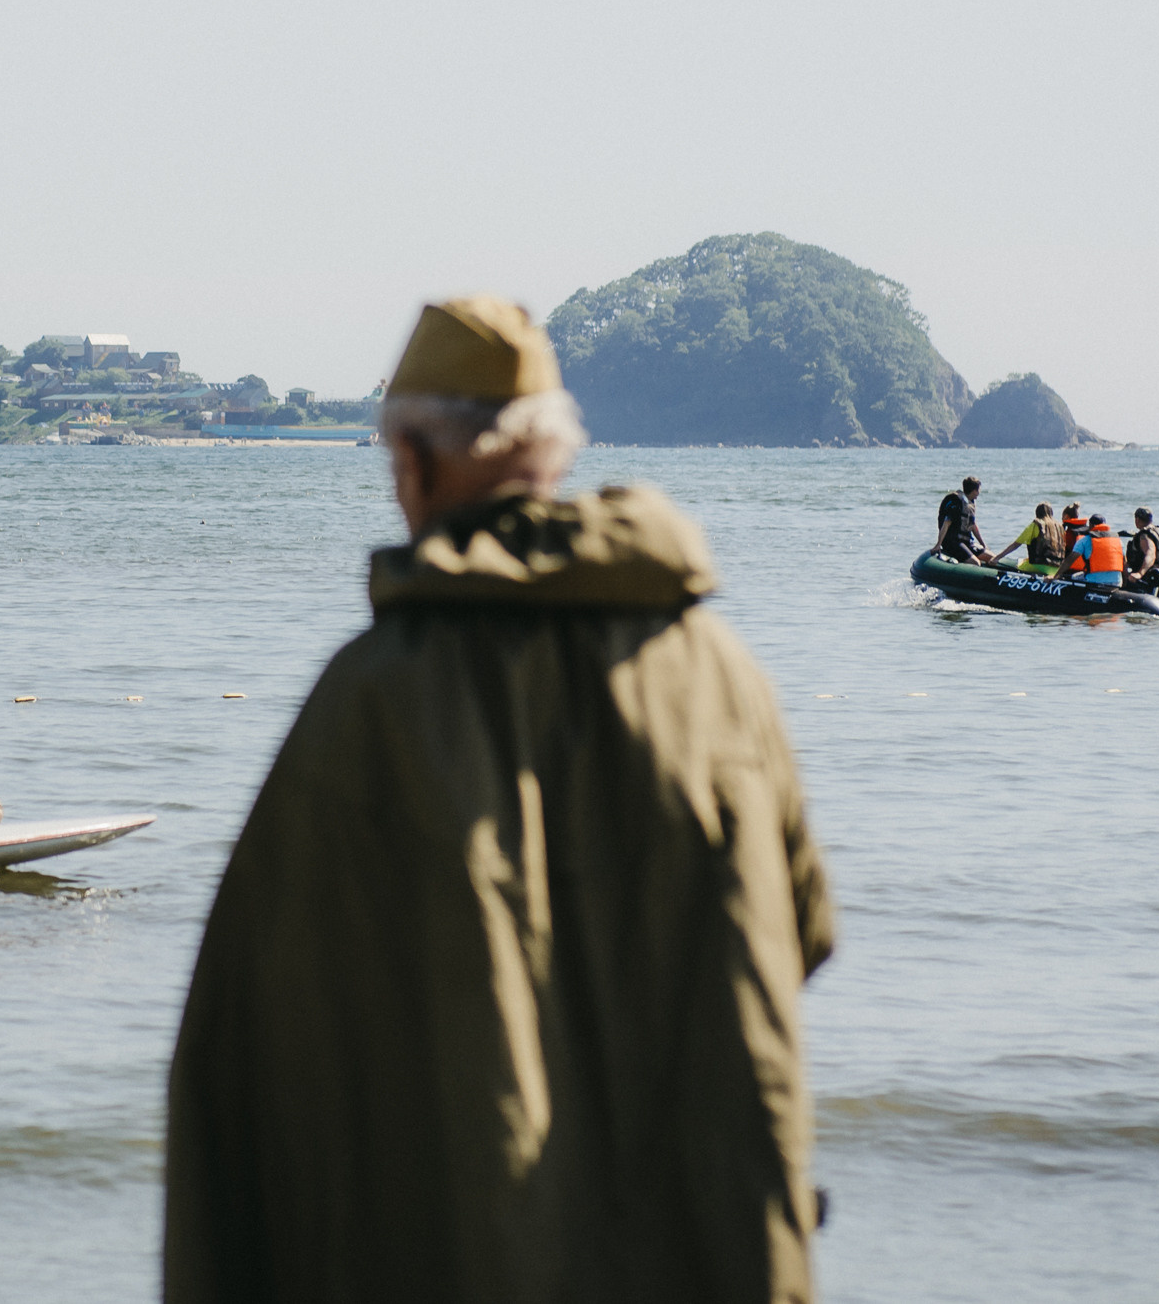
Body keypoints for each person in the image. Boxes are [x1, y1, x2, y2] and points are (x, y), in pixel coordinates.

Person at [165, 294, 834, 1304]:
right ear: (552, 454)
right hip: (700, 1235)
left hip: (456, 1239)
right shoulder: (719, 673)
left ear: (416, 462)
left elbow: (253, 1029)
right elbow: (806, 928)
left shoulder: (375, 694)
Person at [994, 502, 1064, 577]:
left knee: (1020, 563)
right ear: (1051, 513)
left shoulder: (1036, 525)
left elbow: (1015, 545)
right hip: (1057, 569)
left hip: (1039, 567)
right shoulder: (1060, 527)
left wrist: (996, 558)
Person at [934, 477, 987, 562]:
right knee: (975, 562)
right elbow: (946, 523)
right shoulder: (956, 502)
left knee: (990, 556)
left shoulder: (970, 503)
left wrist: (983, 544)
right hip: (953, 543)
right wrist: (938, 545)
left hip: (967, 542)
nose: (979, 493)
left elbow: (972, 525)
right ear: (974, 491)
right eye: (978, 490)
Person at [1065, 514, 1126, 586]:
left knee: (1074, 577)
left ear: (1090, 526)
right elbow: (1124, 563)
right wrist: (1125, 582)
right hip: (1117, 582)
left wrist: (1056, 576)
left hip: (1095, 581)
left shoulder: (1085, 540)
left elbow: (1069, 560)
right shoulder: (1118, 541)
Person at [1125, 507, 1159, 590]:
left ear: (1137, 519)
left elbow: (1151, 555)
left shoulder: (1144, 535)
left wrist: (1140, 573)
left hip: (1150, 579)